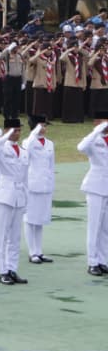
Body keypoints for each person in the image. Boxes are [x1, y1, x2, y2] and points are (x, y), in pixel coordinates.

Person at [0, 116, 29, 285]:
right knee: (1, 235)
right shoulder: (1, 149)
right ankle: (2, 271)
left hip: (19, 195)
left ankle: (12, 269)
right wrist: (3, 138)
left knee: (15, 236)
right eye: (13, 130)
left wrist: (27, 199)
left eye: (18, 130)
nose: (16, 133)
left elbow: (25, 177)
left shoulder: (24, 151)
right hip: (4, 194)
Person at [22, 114, 56, 265]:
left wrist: (51, 183)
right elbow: (27, 147)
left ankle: (39, 251)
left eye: (45, 126)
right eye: (41, 126)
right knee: (31, 219)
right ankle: (32, 252)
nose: (44, 128)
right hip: (33, 185)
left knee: (40, 219)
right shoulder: (28, 141)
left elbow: (51, 165)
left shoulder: (49, 144)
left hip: (45, 184)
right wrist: (34, 132)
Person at [77, 111, 108, 276]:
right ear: (96, 122)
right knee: (94, 226)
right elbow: (80, 147)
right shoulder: (93, 140)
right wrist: (97, 130)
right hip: (95, 186)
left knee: (106, 227)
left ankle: (103, 260)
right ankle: (92, 262)